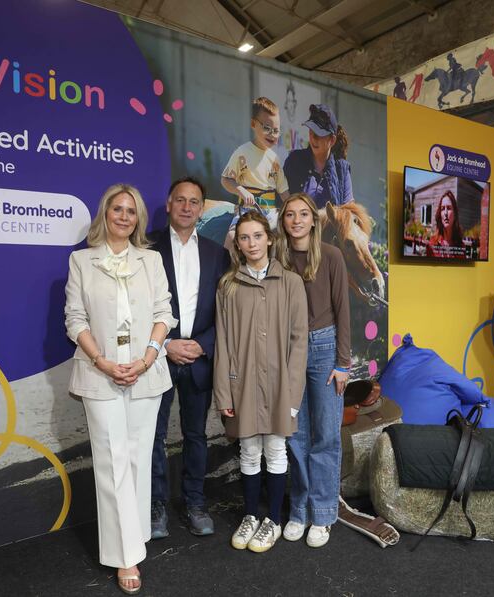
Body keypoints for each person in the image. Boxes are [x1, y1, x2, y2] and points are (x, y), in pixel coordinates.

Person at [64, 183, 177, 595]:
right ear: (105, 214)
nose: (125, 216)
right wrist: (103, 362)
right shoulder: (81, 261)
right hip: (100, 374)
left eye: (132, 211)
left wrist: (146, 358)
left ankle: (135, 535)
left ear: (139, 218)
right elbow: (74, 319)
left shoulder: (151, 260)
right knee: (112, 463)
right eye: (118, 209)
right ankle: (124, 556)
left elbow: (164, 313)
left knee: (136, 459)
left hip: (146, 371)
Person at [214, 210, 308, 553]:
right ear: (236, 244)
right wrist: (224, 389)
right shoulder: (228, 286)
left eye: (257, 235)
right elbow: (223, 341)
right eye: (244, 237)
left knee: (276, 449)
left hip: (282, 385)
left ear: (270, 238)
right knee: (249, 450)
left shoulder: (291, 283)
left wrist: (294, 393)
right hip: (243, 384)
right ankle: (251, 516)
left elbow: (300, 341)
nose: (251, 243)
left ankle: (274, 521)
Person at [150, 177, 230, 539]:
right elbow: (134, 308)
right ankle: (155, 505)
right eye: (180, 200)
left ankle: (195, 502)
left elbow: (226, 311)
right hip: (157, 357)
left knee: (195, 435)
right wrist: (166, 344)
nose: (186, 206)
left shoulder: (217, 254)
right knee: (153, 436)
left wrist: (204, 344)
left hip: (199, 358)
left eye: (194, 201)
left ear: (201, 208)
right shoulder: (146, 248)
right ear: (168, 204)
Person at [277, 192, 350, 548]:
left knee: (325, 435)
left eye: (303, 214)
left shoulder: (332, 256)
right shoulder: (277, 258)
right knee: (295, 436)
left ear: (313, 220)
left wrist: (342, 363)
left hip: (324, 348)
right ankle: (299, 509)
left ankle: (322, 514)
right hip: (289, 348)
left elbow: (343, 311)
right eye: (290, 214)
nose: (297, 220)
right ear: (283, 220)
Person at [221, 96, 290, 251]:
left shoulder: (275, 160)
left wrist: (293, 208)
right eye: (267, 128)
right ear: (253, 124)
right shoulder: (242, 153)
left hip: (271, 214)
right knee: (232, 238)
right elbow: (226, 179)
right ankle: (225, 272)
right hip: (247, 211)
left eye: (276, 130)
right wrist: (241, 191)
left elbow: (284, 192)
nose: (272, 134)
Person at [283, 104, 353, 209]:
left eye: (319, 134)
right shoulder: (294, 160)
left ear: (332, 140)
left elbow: (348, 210)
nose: (313, 138)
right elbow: (280, 200)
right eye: (311, 132)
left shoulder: (342, 169)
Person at [426, 190, 464, 258]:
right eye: (443, 209)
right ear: (440, 215)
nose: (445, 213)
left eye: (449, 208)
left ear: (455, 214)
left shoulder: (461, 246)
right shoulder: (432, 244)